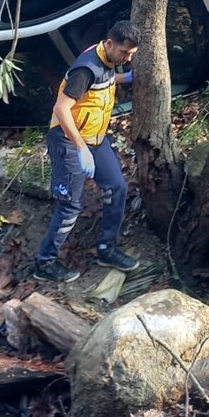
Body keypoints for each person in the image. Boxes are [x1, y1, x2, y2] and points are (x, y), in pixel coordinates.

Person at [33, 20, 142, 283]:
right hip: (68, 141)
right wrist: (81, 148)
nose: (127, 58)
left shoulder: (107, 61)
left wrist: (125, 78)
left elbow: (103, 80)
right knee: (70, 205)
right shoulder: (86, 68)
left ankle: (107, 249)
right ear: (109, 43)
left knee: (117, 187)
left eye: (131, 55)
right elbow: (62, 109)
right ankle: (44, 263)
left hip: (96, 138)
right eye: (124, 53)